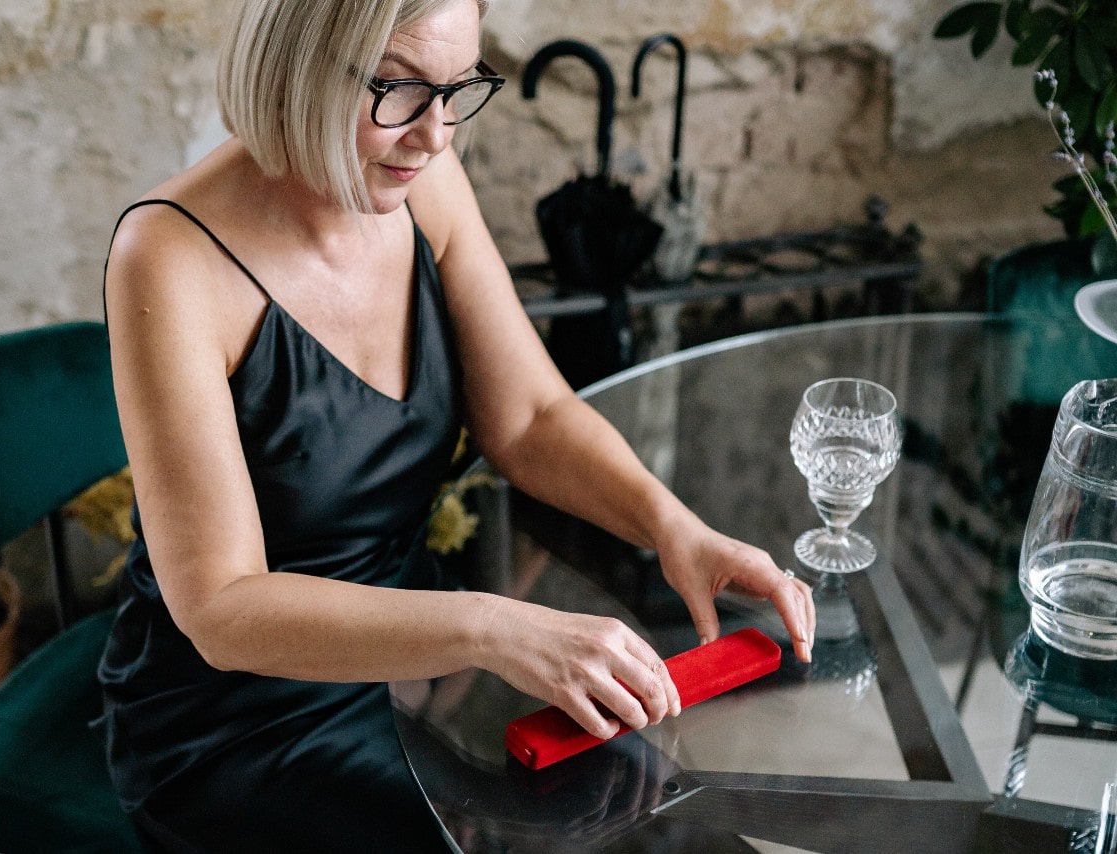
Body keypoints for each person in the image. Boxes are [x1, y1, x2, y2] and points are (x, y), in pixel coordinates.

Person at [95, 0, 816, 850]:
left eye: (457, 89)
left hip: (422, 662)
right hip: (240, 723)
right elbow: (222, 608)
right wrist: (488, 628)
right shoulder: (169, 258)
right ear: (296, 62)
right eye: (398, 88)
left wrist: (673, 528)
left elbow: (531, 417)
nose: (435, 136)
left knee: (652, 818)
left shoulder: (421, 182)